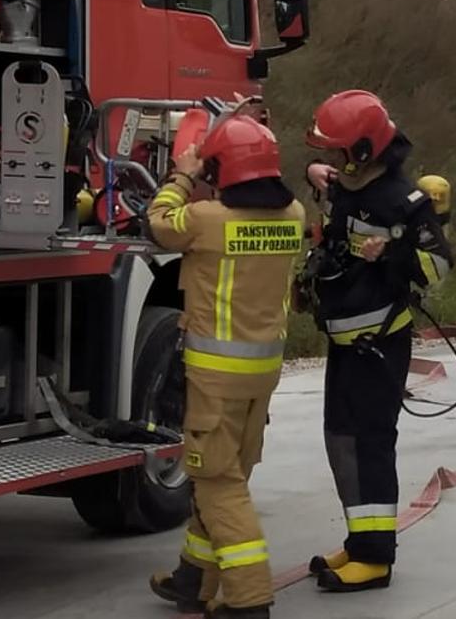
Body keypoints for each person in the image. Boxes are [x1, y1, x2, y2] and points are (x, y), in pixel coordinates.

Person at [145, 114, 306, 619]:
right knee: (226, 474)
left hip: (215, 377)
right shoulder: (295, 214)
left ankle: (248, 598)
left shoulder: (207, 219)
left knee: (218, 482)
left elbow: (159, 223)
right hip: (262, 374)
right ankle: (194, 577)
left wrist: (182, 175)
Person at [300, 90, 455, 593]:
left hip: (378, 347)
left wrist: (390, 252)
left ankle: (375, 558)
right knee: (341, 441)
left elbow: (439, 266)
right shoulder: (350, 185)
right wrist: (314, 175)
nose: (330, 162)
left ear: (363, 152)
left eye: (336, 152)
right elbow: (335, 196)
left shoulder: (403, 202)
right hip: (345, 344)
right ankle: (360, 540)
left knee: (370, 445)